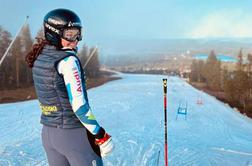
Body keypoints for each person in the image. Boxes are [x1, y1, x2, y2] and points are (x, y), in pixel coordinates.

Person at [25, 8, 114, 166]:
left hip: (48, 133)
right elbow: (79, 106)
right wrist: (100, 135)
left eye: (78, 33)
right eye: (70, 35)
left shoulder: (41, 56)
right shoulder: (67, 61)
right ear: (53, 33)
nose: (76, 40)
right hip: (73, 135)